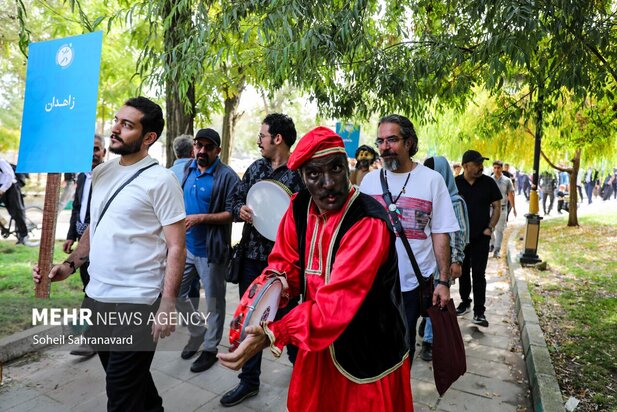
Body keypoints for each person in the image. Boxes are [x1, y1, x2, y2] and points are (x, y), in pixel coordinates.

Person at [219, 126, 413, 412]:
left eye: (335, 169)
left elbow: (335, 305)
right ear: (301, 178)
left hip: (367, 350)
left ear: (346, 168)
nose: (328, 183)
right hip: (316, 341)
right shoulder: (298, 207)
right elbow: (284, 262)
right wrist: (274, 288)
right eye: (314, 174)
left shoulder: (368, 221)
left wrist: (276, 332)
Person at [33, 96, 186, 411]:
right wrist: (70, 264)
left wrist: (168, 303)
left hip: (138, 303)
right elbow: (95, 226)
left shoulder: (162, 181)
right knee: (133, 383)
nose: (115, 129)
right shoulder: (102, 173)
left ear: (148, 138)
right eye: (117, 120)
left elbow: (177, 246)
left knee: (120, 395)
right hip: (97, 297)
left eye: (127, 125)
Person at [221, 113, 304, 407]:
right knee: (251, 320)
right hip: (251, 259)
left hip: (285, 266)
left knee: (289, 319)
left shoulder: (299, 174)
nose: (259, 141)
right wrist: (240, 208)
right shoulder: (256, 168)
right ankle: (249, 381)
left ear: (277, 139)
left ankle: (302, 369)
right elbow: (234, 201)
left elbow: (307, 221)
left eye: (262, 135)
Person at [360, 114, 458, 362]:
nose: (385, 147)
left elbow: (440, 233)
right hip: (373, 283)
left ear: (409, 143)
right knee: (371, 347)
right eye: (380, 141)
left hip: (411, 285)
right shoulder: (369, 182)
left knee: (404, 350)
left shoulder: (432, 181)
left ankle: (397, 398)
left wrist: (443, 282)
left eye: (392, 140)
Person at [175, 128, 240, 373]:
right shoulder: (187, 169)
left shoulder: (227, 176)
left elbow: (233, 213)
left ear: (217, 150)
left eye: (207, 147)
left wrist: (201, 218)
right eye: (198, 145)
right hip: (185, 247)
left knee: (214, 303)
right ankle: (197, 331)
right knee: (175, 293)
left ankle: (211, 348)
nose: (201, 151)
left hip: (211, 252)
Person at [419, 155, 469, 361]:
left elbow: (459, 232)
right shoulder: (426, 194)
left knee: (438, 297)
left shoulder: (454, 201)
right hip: (424, 257)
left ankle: (429, 341)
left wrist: (456, 260)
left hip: (443, 260)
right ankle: (427, 322)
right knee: (428, 295)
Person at [63, 134, 107, 357]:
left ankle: (91, 340)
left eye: (97, 149)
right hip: (82, 243)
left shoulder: (109, 179)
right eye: (89, 150)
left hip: (102, 244)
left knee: (93, 291)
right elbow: (76, 208)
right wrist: (71, 235)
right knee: (89, 289)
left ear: (104, 153)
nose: (93, 154)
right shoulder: (81, 177)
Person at [455, 150, 502, 327]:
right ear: (466, 166)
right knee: (463, 272)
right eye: (477, 164)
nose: (481, 167)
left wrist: (490, 227)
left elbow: (497, 206)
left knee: (479, 274)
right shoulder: (455, 183)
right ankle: (465, 301)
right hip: (461, 238)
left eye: (481, 163)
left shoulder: (488, 183)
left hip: (482, 237)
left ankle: (479, 312)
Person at [0, 157, 29, 245]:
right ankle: (3, 226)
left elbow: (9, 176)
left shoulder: (1, 161)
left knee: (16, 211)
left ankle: (24, 234)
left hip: (11, 186)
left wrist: (2, 189)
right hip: (1, 186)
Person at [491, 160, 516, 258]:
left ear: (501, 168)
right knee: (490, 228)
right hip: (491, 208)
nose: (496, 170)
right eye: (495, 168)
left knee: (499, 230)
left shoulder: (507, 180)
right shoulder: (489, 180)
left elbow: (510, 194)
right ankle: (492, 243)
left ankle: (497, 250)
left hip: (502, 208)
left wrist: (514, 208)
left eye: (498, 168)